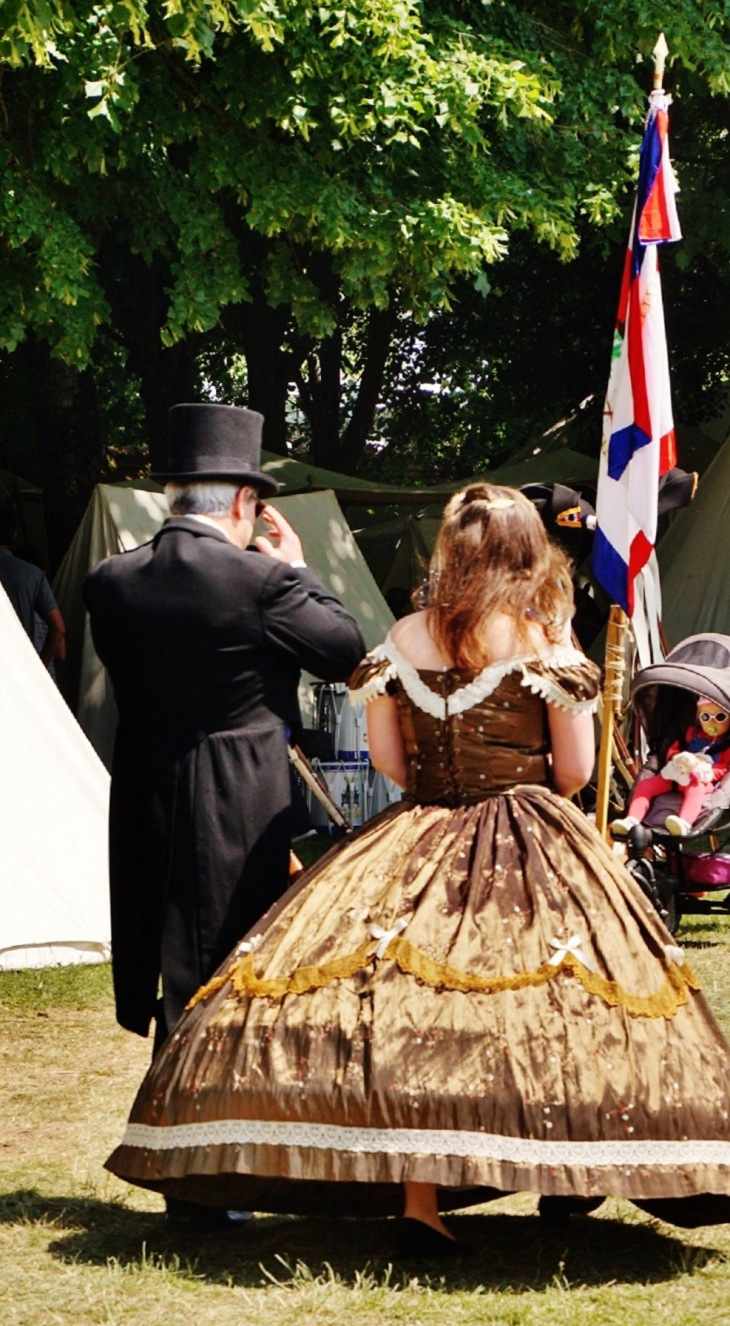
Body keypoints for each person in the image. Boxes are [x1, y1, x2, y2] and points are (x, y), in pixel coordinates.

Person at [105, 483, 730, 1253]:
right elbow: (572, 771)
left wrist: (445, 785)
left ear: (451, 550)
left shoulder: (400, 640)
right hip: (529, 826)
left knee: (409, 1011)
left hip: (419, 827)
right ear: (526, 551)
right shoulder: (545, 644)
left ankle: (420, 1201)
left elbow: (388, 761)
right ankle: (574, 1176)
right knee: (566, 999)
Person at [82, 403, 365, 1223]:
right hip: (239, 792)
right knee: (234, 973)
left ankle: (186, 1161)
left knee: (175, 972)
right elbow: (345, 651)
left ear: (176, 494)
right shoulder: (264, 580)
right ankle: (214, 1169)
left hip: (143, 786)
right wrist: (303, 569)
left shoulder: (111, 581)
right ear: (244, 501)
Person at [612, 696, 730, 838]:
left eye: (720, 717)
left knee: (695, 788)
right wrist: (676, 758)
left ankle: (684, 823)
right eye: (706, 716)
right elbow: (674, 749)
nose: (712, 722)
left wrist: (706, 771)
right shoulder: (691, 733)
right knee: (646, 784)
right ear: (699, 718)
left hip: (701, 779)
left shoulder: (726, 745)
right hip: (677, 773)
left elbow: (724, 769)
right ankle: (632, 820)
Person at [0, 504, 66, 670]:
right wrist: (39, 669)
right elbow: (58, 628)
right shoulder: (33, 574)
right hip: (25, 671)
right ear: (15, 535)